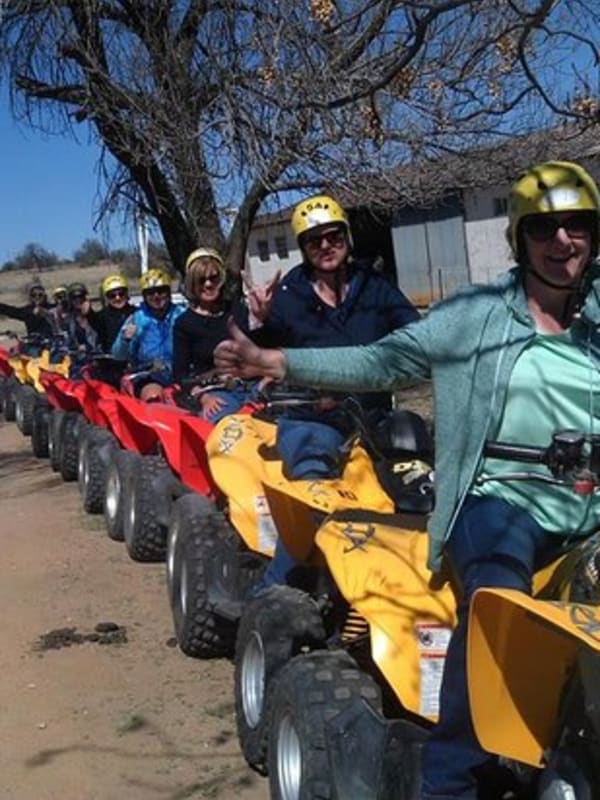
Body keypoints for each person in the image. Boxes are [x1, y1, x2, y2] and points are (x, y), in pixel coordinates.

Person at [215, 161, 600, 798]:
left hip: (588, 503)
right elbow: (382, 358)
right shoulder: (476, 315)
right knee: (495, 614)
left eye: (579, 226)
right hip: (502, 499)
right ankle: (449, 780)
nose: (563, 242)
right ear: (520, 238)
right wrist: (271, 358)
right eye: (545, 228)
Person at [234, 193, 420, 588]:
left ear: (347, 239)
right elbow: (264, 352)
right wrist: (259, 320)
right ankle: (274, 592)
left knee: (421, 481)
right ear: (303, 248)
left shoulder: (376, 286)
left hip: (375, 417)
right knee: (313, 499)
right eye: (313, 240)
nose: (325, 246)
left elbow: (416, 333)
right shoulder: (287, 296)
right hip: (311, 418)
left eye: (333, 236)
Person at [173, 247, 256, 420]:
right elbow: (180, 373)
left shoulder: (238, 310)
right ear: (192, 284)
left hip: (254, 384)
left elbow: (261, 347)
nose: (208, 284)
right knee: (222, 429)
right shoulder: (184, 324)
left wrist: (261, 316)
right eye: (201, 280)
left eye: (213, 278)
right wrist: (204, 397)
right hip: (217, 391)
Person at [111, 268, 185, 401]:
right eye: (150, 293)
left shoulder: (182, 315)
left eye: (161, 291)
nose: (156, 296)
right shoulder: (136, 319)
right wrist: (125, 339)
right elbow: (118, 355)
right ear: (144, 296)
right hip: (149, 375)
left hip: (182, 372)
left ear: (168, 292)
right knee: (153, 396)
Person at [88, 274, 137, 352]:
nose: (117, 298)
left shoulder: (137, 313)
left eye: (121, 294)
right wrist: (89, 312)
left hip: (136, 359)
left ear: (126, 294)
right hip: (111, 361)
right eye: (112, 295)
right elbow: (93, 322)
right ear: (107, 298)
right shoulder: (101, 316)